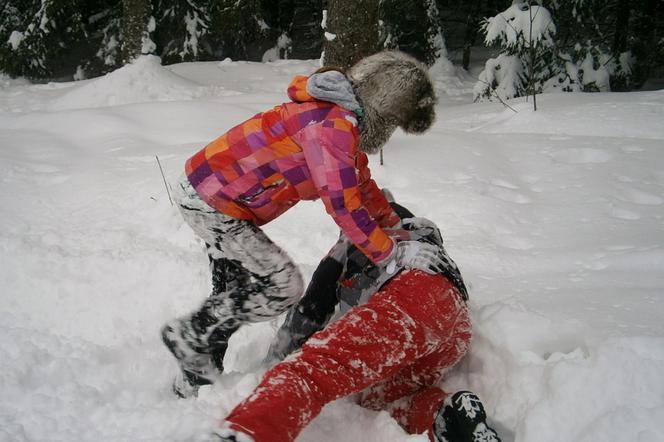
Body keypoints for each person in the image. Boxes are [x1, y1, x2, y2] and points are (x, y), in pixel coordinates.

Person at [162, 50, 442, 398]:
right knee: (283, 286)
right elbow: (343, 204)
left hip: (209, 191)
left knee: (232, 291)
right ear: (382, 112)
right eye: (393, 123)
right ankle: (191, 335)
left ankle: (193, 379)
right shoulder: (333, 127)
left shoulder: (337, 118)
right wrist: (389, 255)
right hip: (214, 203)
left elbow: (359, 184)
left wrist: (390, 221)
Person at [210, 198, 501, 442]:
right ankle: (447, 415)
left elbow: (311, 308)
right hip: (454, 325)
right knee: (381, 401)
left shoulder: (355, 240)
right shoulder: (421, 234)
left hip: (410, 300)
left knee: (312, 372)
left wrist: (273, 362)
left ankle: (246, 432)